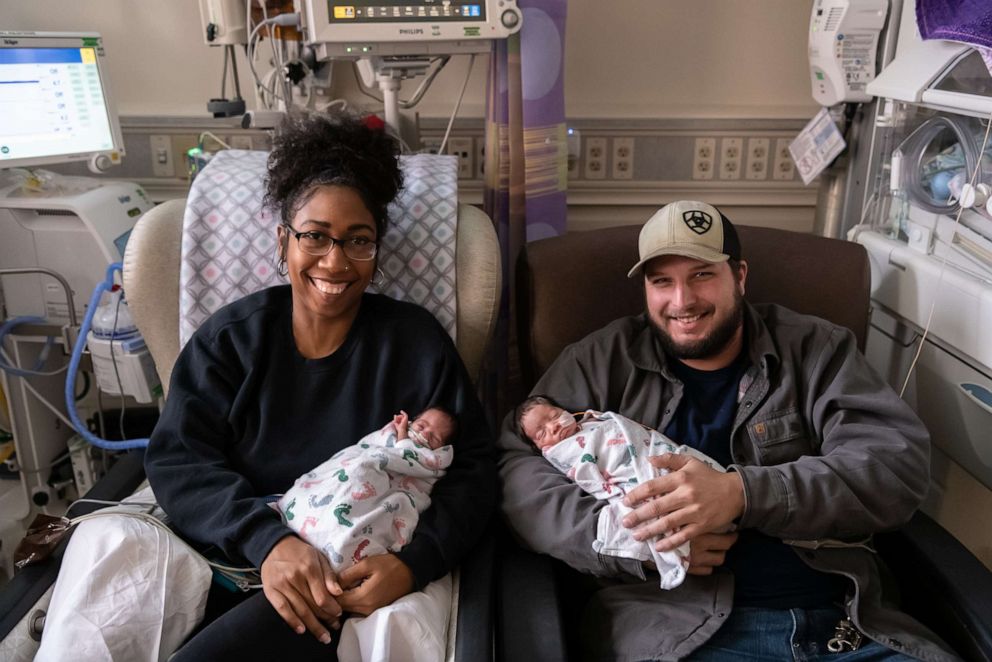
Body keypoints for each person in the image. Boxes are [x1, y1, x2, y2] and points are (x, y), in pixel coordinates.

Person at [37, 111, 494, 662]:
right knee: (109, 545)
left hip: (361, 565)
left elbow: (472, 471)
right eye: (315, 237)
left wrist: (412, 565)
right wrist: (269, 542)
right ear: (283, 241)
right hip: (224, 548)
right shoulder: (230, 340)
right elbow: (180, 459)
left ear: (378, 249)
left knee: (401, 631)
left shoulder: (415, 344)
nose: (335, 261)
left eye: (358, 241)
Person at [497, 200, 959, 661]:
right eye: (662, 282)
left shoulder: (817, 350)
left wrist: (742, 493)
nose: (682, 302)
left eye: (701, 275)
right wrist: (634, 542)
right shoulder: (599, 361)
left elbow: (895, 464)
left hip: (845, 624)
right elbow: (515, 469)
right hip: (683, 635)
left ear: (739, 276)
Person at [276, 407, 457, 662]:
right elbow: (367, 456)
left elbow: (412, 460)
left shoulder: (429, 458)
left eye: (435, 437)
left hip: (393, 489)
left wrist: (413, 564)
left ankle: (340, 551)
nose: (425, 433)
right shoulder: (392, 435)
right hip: (282, 546)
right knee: (360, 468)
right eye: (422, 424)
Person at [515, 395, 725, 590]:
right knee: (650, 513)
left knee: (703, 474)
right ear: (538, 448)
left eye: (554, 415)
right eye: (541, 433)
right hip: (633, 481)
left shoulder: (594, 420)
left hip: (657, 456)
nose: (554, 426)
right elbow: (590, 479)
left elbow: (634, 433)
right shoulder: (561, 453)